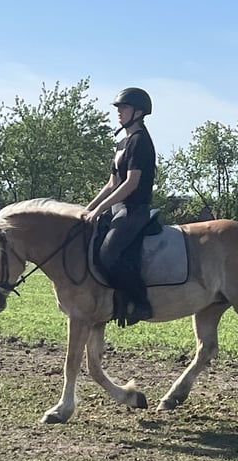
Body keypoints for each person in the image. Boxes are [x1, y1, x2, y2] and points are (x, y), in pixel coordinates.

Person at [83, 87, 156, 325]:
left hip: (135, 209)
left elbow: (131, 183)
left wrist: (100, 209)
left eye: (123, 108)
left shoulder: (140, 141)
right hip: (119, 208)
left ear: (139, 112)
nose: (119, 113)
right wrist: (88, 209)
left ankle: (140, 302)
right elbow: (112, 183)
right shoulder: (123, 143)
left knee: (108, 253)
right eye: (119, 108)